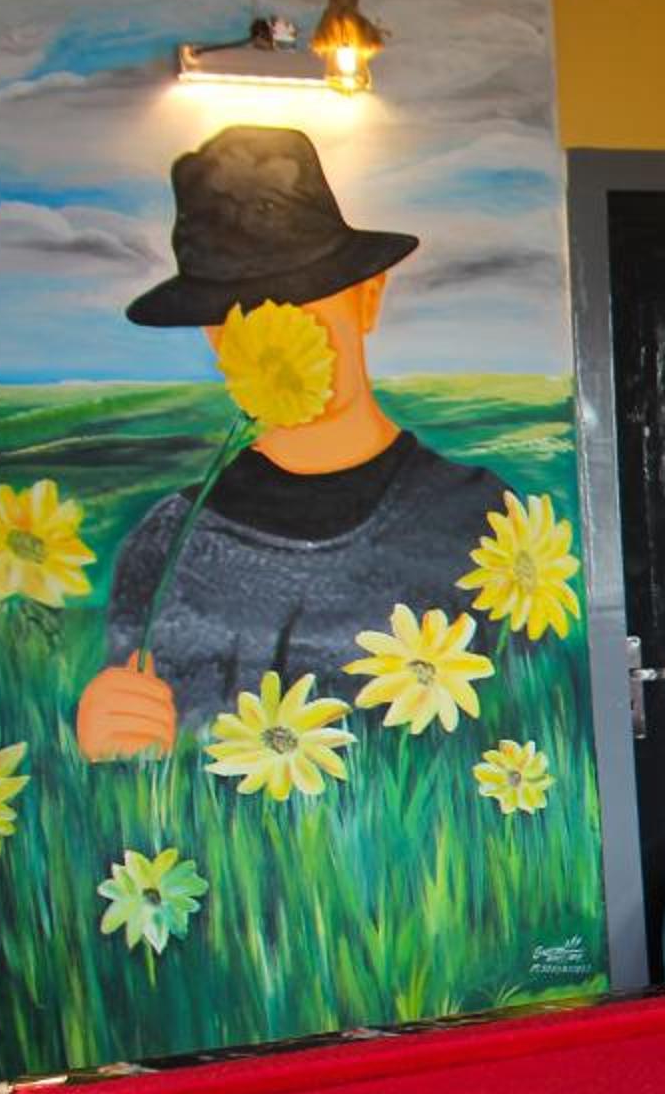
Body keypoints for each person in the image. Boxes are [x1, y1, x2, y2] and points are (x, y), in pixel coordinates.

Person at [79, 126, 503, 748]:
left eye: (303, 298)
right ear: (217, 339)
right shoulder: (166, 548)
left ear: (368, 299)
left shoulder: (480, 523)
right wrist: (109, 735)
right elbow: (145, 767)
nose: (278, 332)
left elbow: (535, 716)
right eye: (246, 312)